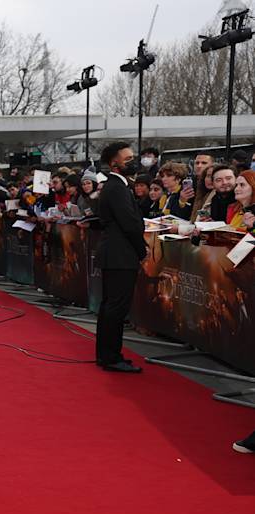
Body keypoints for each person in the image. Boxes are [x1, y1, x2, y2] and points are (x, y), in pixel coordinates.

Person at [96, 142, 147, 373]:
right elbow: (130, 224)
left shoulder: (117, 186)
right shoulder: (116, 188)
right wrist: (142, 251)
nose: (132, 162)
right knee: (115, 308)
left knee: (111, 307)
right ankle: (110, 357)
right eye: (127, 159)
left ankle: (108, 355)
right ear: (114, 163)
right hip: (120, 255)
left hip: (116, 254)